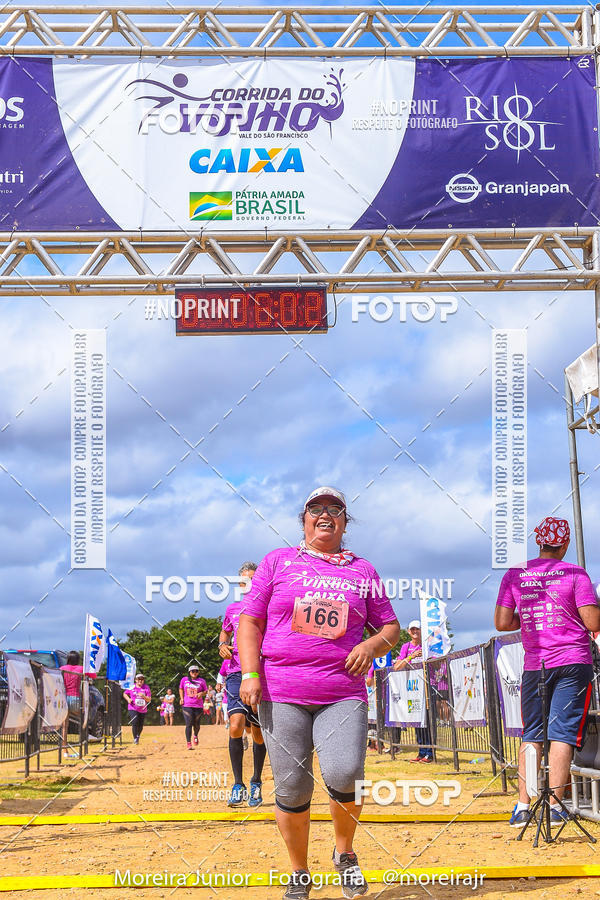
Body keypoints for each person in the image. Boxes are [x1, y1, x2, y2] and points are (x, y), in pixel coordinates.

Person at [238, 486, 400, 900]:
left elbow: (390, 628)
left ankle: (345, 854)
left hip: (341, 691)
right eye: (316, 508)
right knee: (292, 785)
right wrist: (250, 672)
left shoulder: (363, 571)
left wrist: (369, 646)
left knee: (345, 772)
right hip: (282, 689)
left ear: (345, 522)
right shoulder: (277, 562)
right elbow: (250, 622)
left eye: (335, 509)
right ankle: (298, 871)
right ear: (304, 518)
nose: (325, 514)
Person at [495, 516, 600, 828]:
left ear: (538, 542)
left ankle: (522, 806)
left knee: (532, 734)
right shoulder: (575, 573)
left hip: (535, 664)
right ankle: (554, 806)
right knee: (562, 733)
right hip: (572, 661)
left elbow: (502, 622)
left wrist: (530, 621)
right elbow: (592, 623)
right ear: (564, 544)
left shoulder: (516, 574)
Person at [219, 561, 267, 808]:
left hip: (261, 672)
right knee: (236, 726)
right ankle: (238, 784)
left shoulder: (268, 606)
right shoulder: (233, 608)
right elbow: (224, 632)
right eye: (243, 580)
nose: (248, 584)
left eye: (252, 579)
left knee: (258, 731)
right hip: (236, 672)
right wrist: (222, 645)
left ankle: (257, 781)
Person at [392, 621, 433, 762]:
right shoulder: (406, 647)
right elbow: (397, 666)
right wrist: (411, 656)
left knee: (426, 722)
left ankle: (429, 753)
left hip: (425, 690)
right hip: (411, 689)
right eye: (413, 629)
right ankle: (421, 752)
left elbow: (434, 663)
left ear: (422, 630)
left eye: (418, 629)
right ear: (409, 631)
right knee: (416, 722)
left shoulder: (427, 646)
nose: (415, 631)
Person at [59, 650, 96, 757]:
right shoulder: (81, 669)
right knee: (84, 720)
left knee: (65, 726)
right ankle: (84, 741)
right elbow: (93, 676)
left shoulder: (62, 669)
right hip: (76, 698)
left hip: (64, 699)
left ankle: (65, 750)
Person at [179, 664, 207, 750]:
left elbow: (205, 691)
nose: (194, 673)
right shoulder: (184, 680)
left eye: (196, 671)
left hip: (198, 705)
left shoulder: (202, 681)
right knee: (189, 723)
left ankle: (195, 735)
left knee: (197, 724)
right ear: (189, 672)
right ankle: (188, 743)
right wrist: (181, 698)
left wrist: (201, 693)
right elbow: (181, 689)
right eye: (192, 671)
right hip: (187, 704)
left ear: (198, 672)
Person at [123, 673, 151, 745]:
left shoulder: (146, 687)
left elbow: (149, 700)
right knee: (135, 722)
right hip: (133, 708)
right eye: (139, 679)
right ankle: (135, 738)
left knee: (140, 725)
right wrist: (128, 699)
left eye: (142, 679)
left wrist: (144, 696)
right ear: (136, 680)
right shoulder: (132, 687)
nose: (140, 681)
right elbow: (125, 693)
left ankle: (138, 735)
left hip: (143, 709)